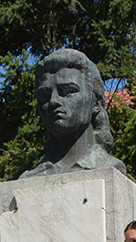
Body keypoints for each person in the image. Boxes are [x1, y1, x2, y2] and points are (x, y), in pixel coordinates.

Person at [20, 48, 126, 178]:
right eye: (45, 95)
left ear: (96, 102)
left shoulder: (108, 167)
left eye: (68, 91)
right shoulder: (30, 177)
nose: (53, 101)